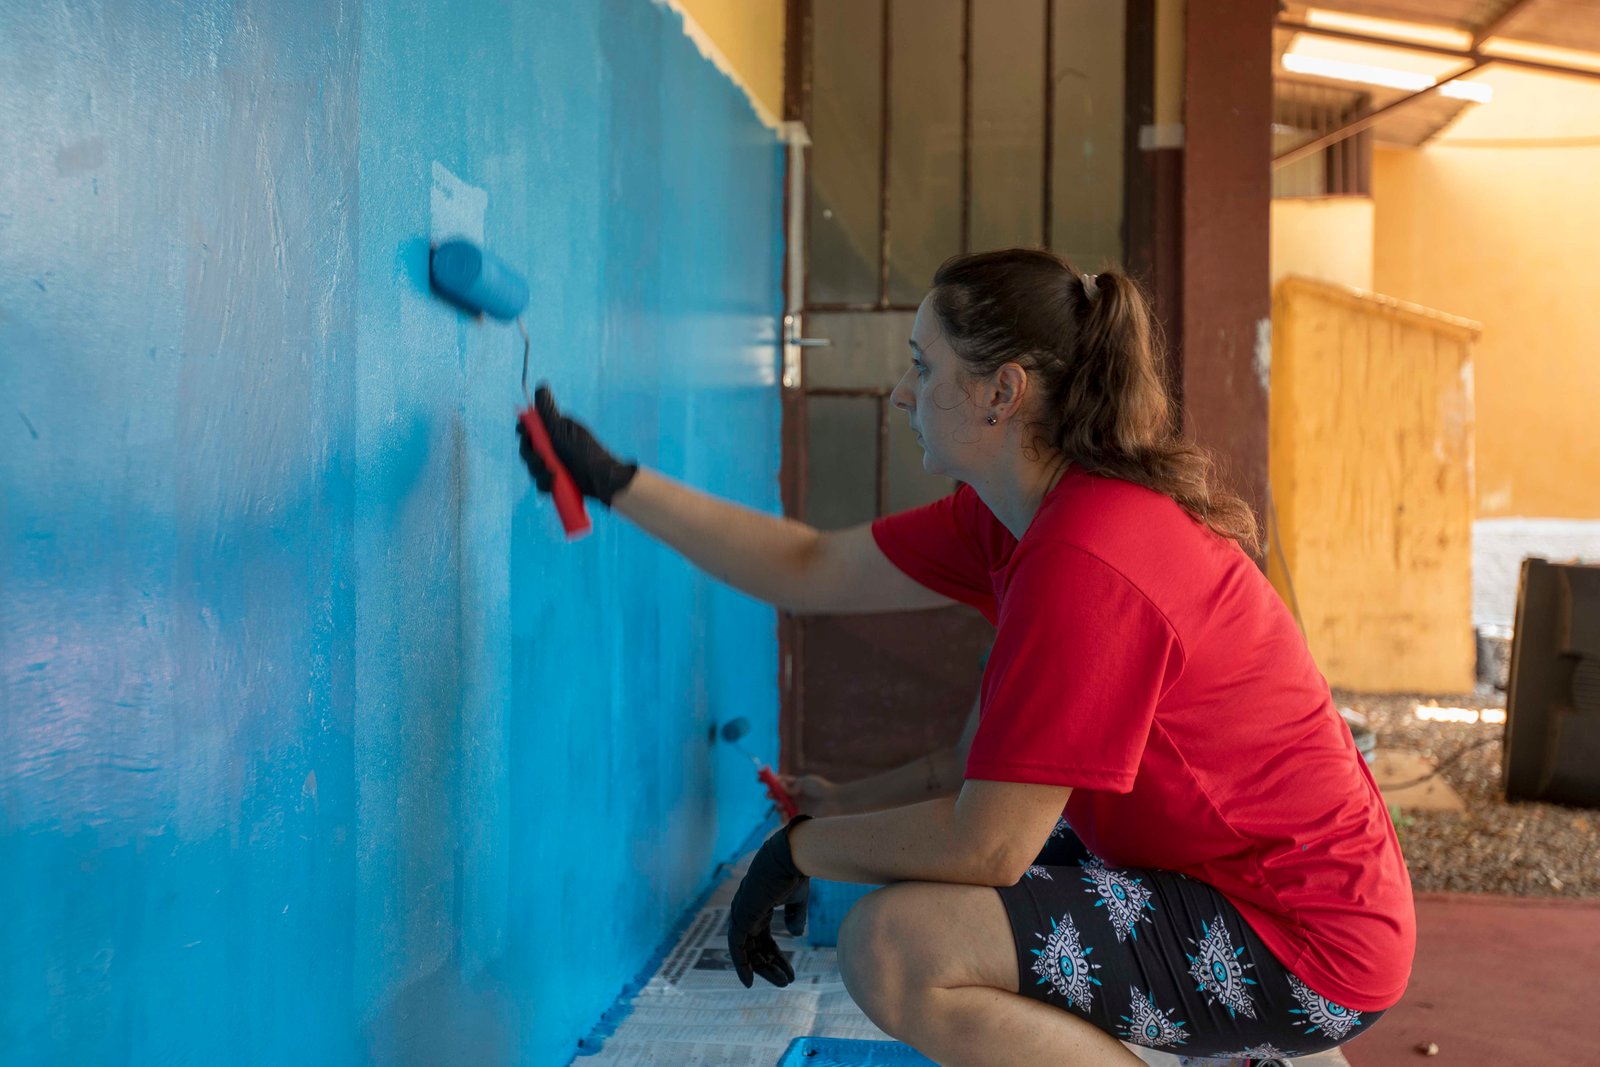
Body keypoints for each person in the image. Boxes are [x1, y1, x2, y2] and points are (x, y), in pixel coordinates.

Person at [517, 248, 1414, 1066]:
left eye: (922, 366)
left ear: (1001, 392)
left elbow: (989, 845)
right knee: (912, 867)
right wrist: (613, 480)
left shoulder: (1088, 557)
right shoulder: (1013, 518)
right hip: (1250, 880)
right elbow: (807, 566)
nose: (901, 395)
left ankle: (1256, 1046)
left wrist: (799, 849)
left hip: (1307, 941)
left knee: (896, 943)